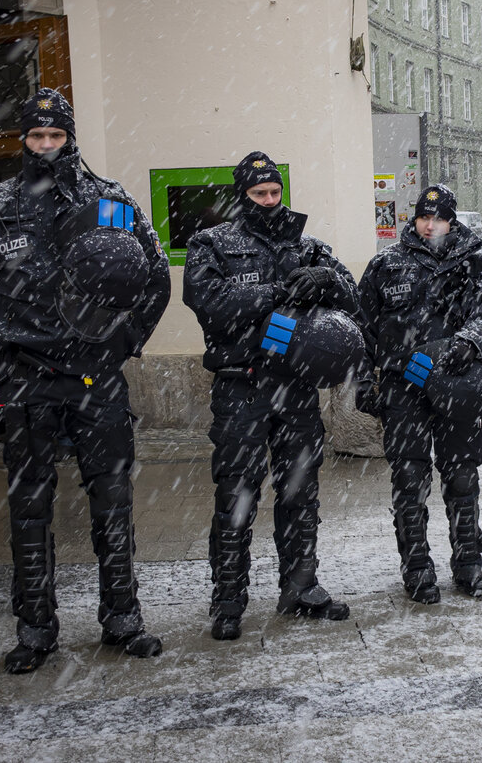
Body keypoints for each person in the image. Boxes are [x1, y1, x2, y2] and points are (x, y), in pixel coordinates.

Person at [0, 88, 169, 674]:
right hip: (27, 379)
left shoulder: (108, 201)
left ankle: (122, 617)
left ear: (71, 138)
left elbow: (152, 276)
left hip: (96, 376)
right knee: (30, 509)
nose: (46, 145)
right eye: (36, 136)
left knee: (113, 502)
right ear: (23, 139)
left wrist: (124, 341)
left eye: (56, 135)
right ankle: (36, 628)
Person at [183, 152, 362, 640]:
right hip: (241, 386)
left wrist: (326, 279)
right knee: (236, 495)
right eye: (258, 193)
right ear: (242, 195)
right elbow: (210, 304)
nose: (268, 200)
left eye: (274, 191)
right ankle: (228, 600)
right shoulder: (212, 243)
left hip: (296, 389)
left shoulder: (307, 246)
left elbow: (352, 296)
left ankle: (300, 587)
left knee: (300, 491)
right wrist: (278, 291)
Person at [359, 184, 482, 602]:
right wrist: (363, 380)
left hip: (457, 381)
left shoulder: (479, 264)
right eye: (424, 217)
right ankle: (417, 567)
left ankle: (469, 564)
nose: (430, 225)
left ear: (451, 220)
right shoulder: (386, 265)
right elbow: (363, 327)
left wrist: (469, 341)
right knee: (409, 479)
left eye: (439, 218)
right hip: (403, 384)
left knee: (462, 476)